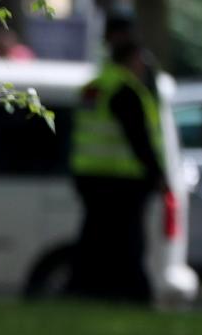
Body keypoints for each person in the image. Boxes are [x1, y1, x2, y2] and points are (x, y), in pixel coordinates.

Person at [67, 16, 165, 302]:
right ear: (133, 59)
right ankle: (131, 295)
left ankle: (84, 291)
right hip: (121, 181)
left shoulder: (95, 86)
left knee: (94, 240)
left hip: (89, 176)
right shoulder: (126, 91)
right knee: (127, 243)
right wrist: (157, 174)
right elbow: (139, 140)